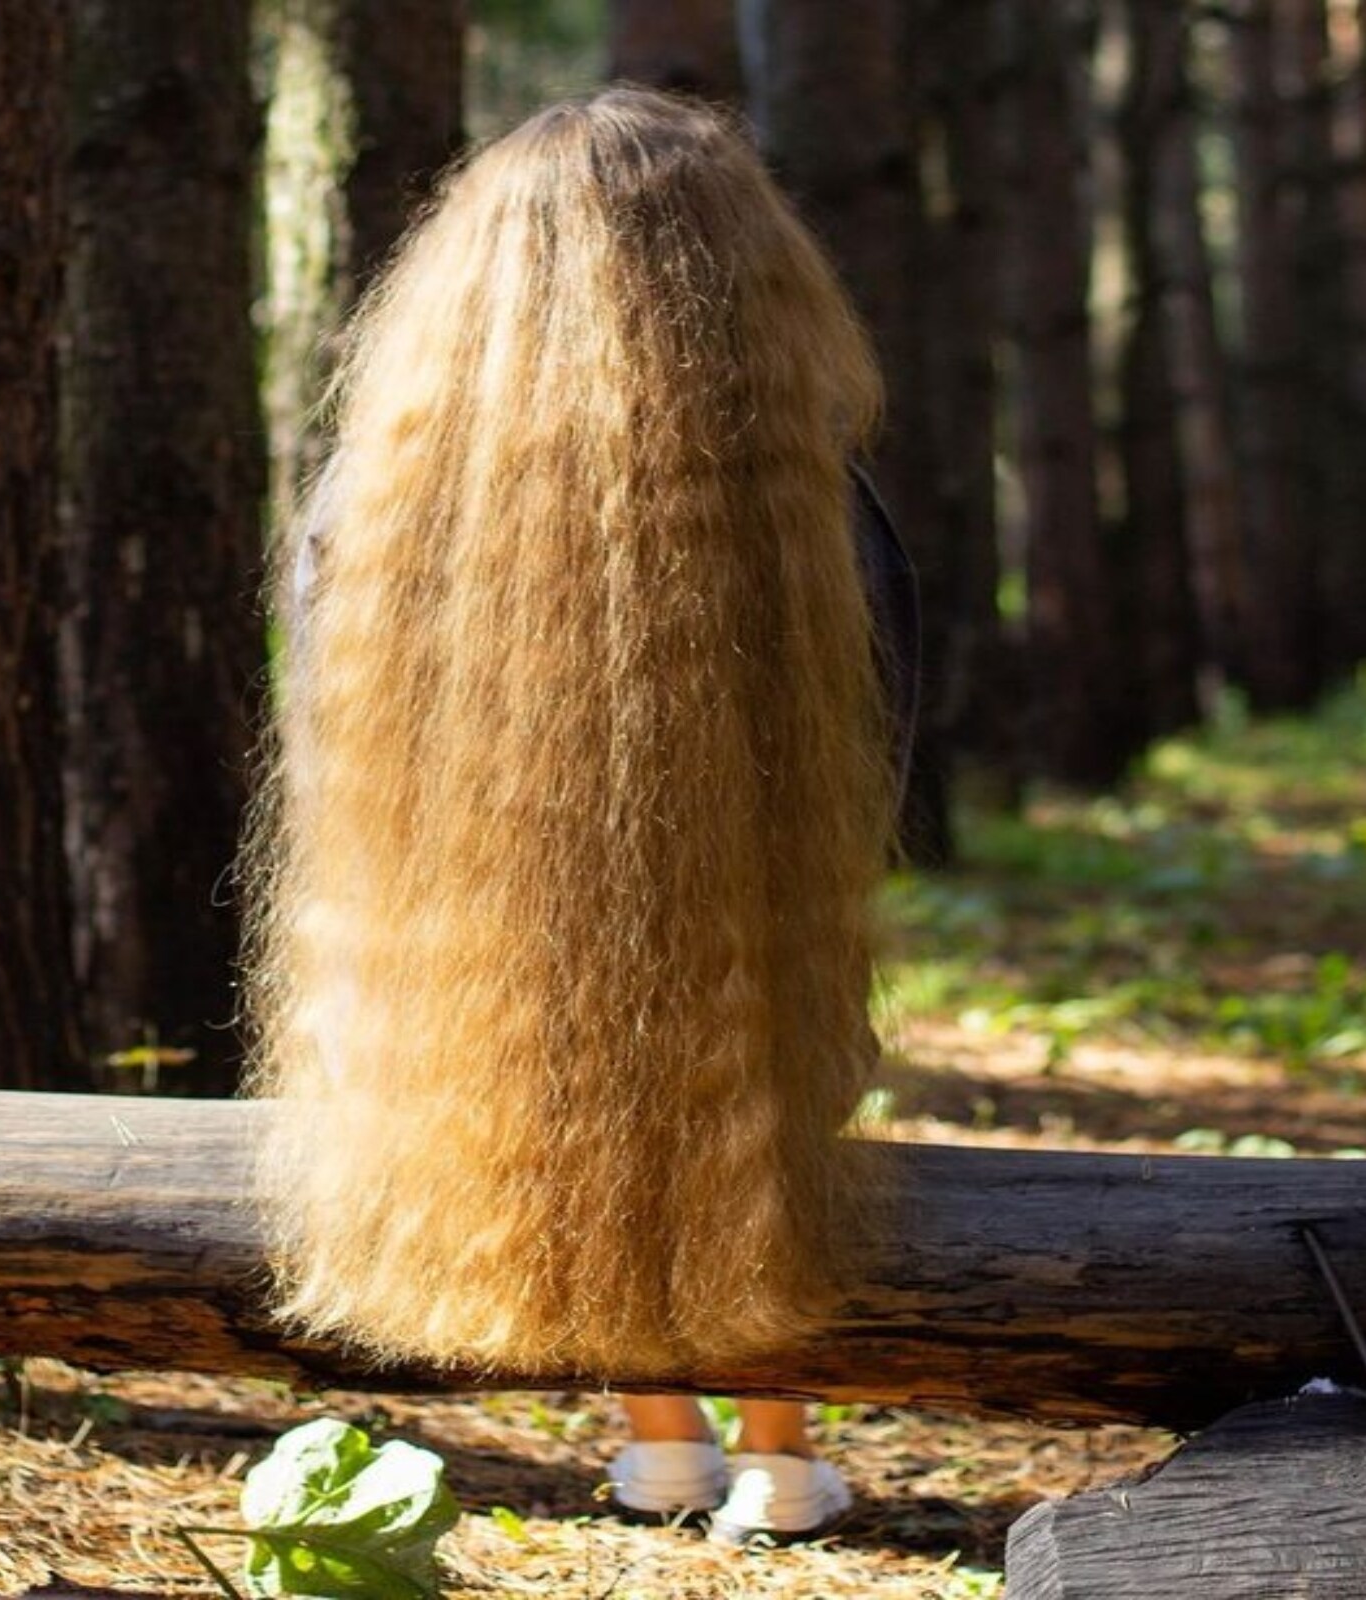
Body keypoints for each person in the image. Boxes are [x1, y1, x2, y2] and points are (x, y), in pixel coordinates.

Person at [245, 86, 917, 1544]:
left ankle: (661, 1439)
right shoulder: (814, 499)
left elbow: (323, 734)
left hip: (472, 901)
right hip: (753, 894)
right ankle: (780, 1454)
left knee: (549, 1079)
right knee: (759, 1057)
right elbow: (886, 742)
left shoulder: (377, 501)